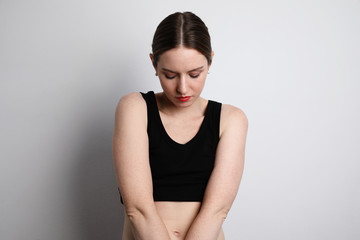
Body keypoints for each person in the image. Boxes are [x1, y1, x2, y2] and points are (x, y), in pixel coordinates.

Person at [113, 11, 248, 240]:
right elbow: (138, 210)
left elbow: (217, 211)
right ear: (154, 63)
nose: (183, 88)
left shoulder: (231, 119)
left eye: (195, 74)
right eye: (170, 75)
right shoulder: (134, 109)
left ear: (210, 61)